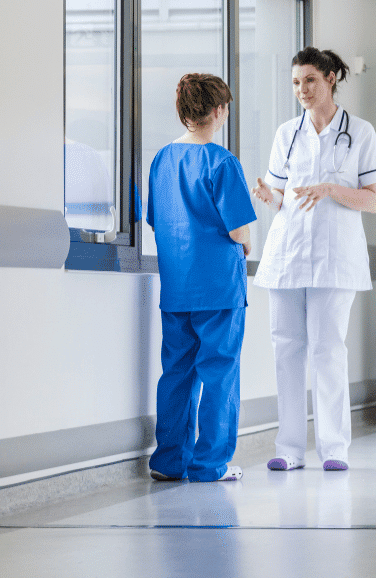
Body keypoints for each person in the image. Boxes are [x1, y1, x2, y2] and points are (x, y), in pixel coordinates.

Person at [251, 47, 376, 471]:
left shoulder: (360, 132)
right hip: (288, 255)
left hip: (335, 257)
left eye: (309, 80)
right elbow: (280, 194)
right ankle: (289, 450)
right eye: (295, 82)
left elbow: (373, 200)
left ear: (330, 79)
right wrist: (266, 195)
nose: (302, 90)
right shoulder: (286, 133)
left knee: (328, 350)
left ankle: (334, 449)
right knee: (287, 350)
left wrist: (330, 188)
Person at [146, 73, 257, 482]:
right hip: (219, 289)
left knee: (176, 374)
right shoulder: (223, 162)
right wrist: (246, 245)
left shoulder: (161, 160)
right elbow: (238, 229)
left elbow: (157, 222)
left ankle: (168, 462)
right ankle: (210, 464)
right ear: (219, 110)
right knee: (219, 374)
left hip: (177, 289)